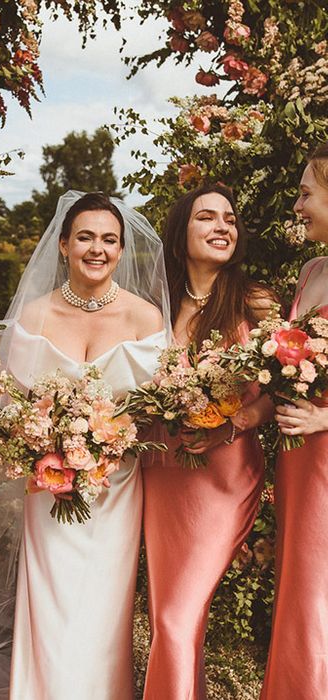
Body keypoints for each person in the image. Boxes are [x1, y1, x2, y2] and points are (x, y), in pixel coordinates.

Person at [0, 191, 170, 699]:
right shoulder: (35, 316)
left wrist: (108, 439)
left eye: (110, 240)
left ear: (121, 249)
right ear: (63, 244)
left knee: (103, 610)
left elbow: (157, 411)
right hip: (49, 488)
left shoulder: (146, 319)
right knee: (51, 604)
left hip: (117, 489)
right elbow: (8, 407)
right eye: (85, 237)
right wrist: (44, 444)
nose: (97, 249)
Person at [140, 183, 277, 699]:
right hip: (162, 475)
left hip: (223, 475)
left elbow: (281, 392)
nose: (222, 226)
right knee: (168, 614)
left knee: (178, 614)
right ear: (181, 236)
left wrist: (233, 422)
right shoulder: (154, 307)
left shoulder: (254, 302)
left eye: (230, 218)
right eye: (207, 218)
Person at [262, 143, 328, 699]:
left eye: (308, 192)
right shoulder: (311, 271)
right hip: (298, 460)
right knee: (299, 586)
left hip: (323, 448)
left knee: (317, 592)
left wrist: (324, 421)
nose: (299, 204)